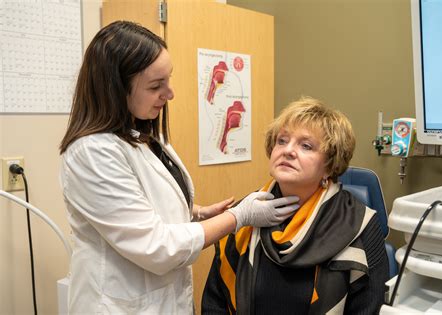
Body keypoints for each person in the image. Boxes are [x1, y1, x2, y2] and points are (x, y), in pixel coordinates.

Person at [58, 21, 299, 314]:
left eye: (168, 80)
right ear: (116, 89)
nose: (170, 94)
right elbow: (156, 247)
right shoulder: (92, 153)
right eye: (156, 86)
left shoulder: (144, 134)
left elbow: (144, 198)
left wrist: (195, 211)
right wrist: (239, 216)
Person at [202, 97, 389, 314]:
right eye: (282, 141)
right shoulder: (245, 213)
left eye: (306, 146)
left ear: (330, 165)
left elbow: (369, 309)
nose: (288, 150)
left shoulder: (360, 224)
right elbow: (214, 304)